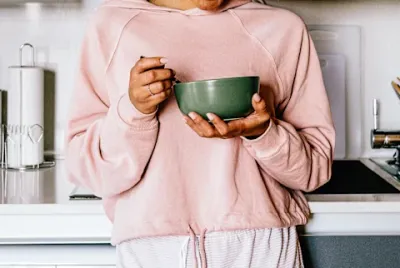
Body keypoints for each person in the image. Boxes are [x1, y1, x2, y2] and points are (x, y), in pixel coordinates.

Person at [66, 0, 335, 267]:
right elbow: (87, 170)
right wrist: (134, 111)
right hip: (152, 251)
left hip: (261, 247)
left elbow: (313, 170)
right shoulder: (111, 26)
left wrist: (264, 132)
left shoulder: (283, 29)